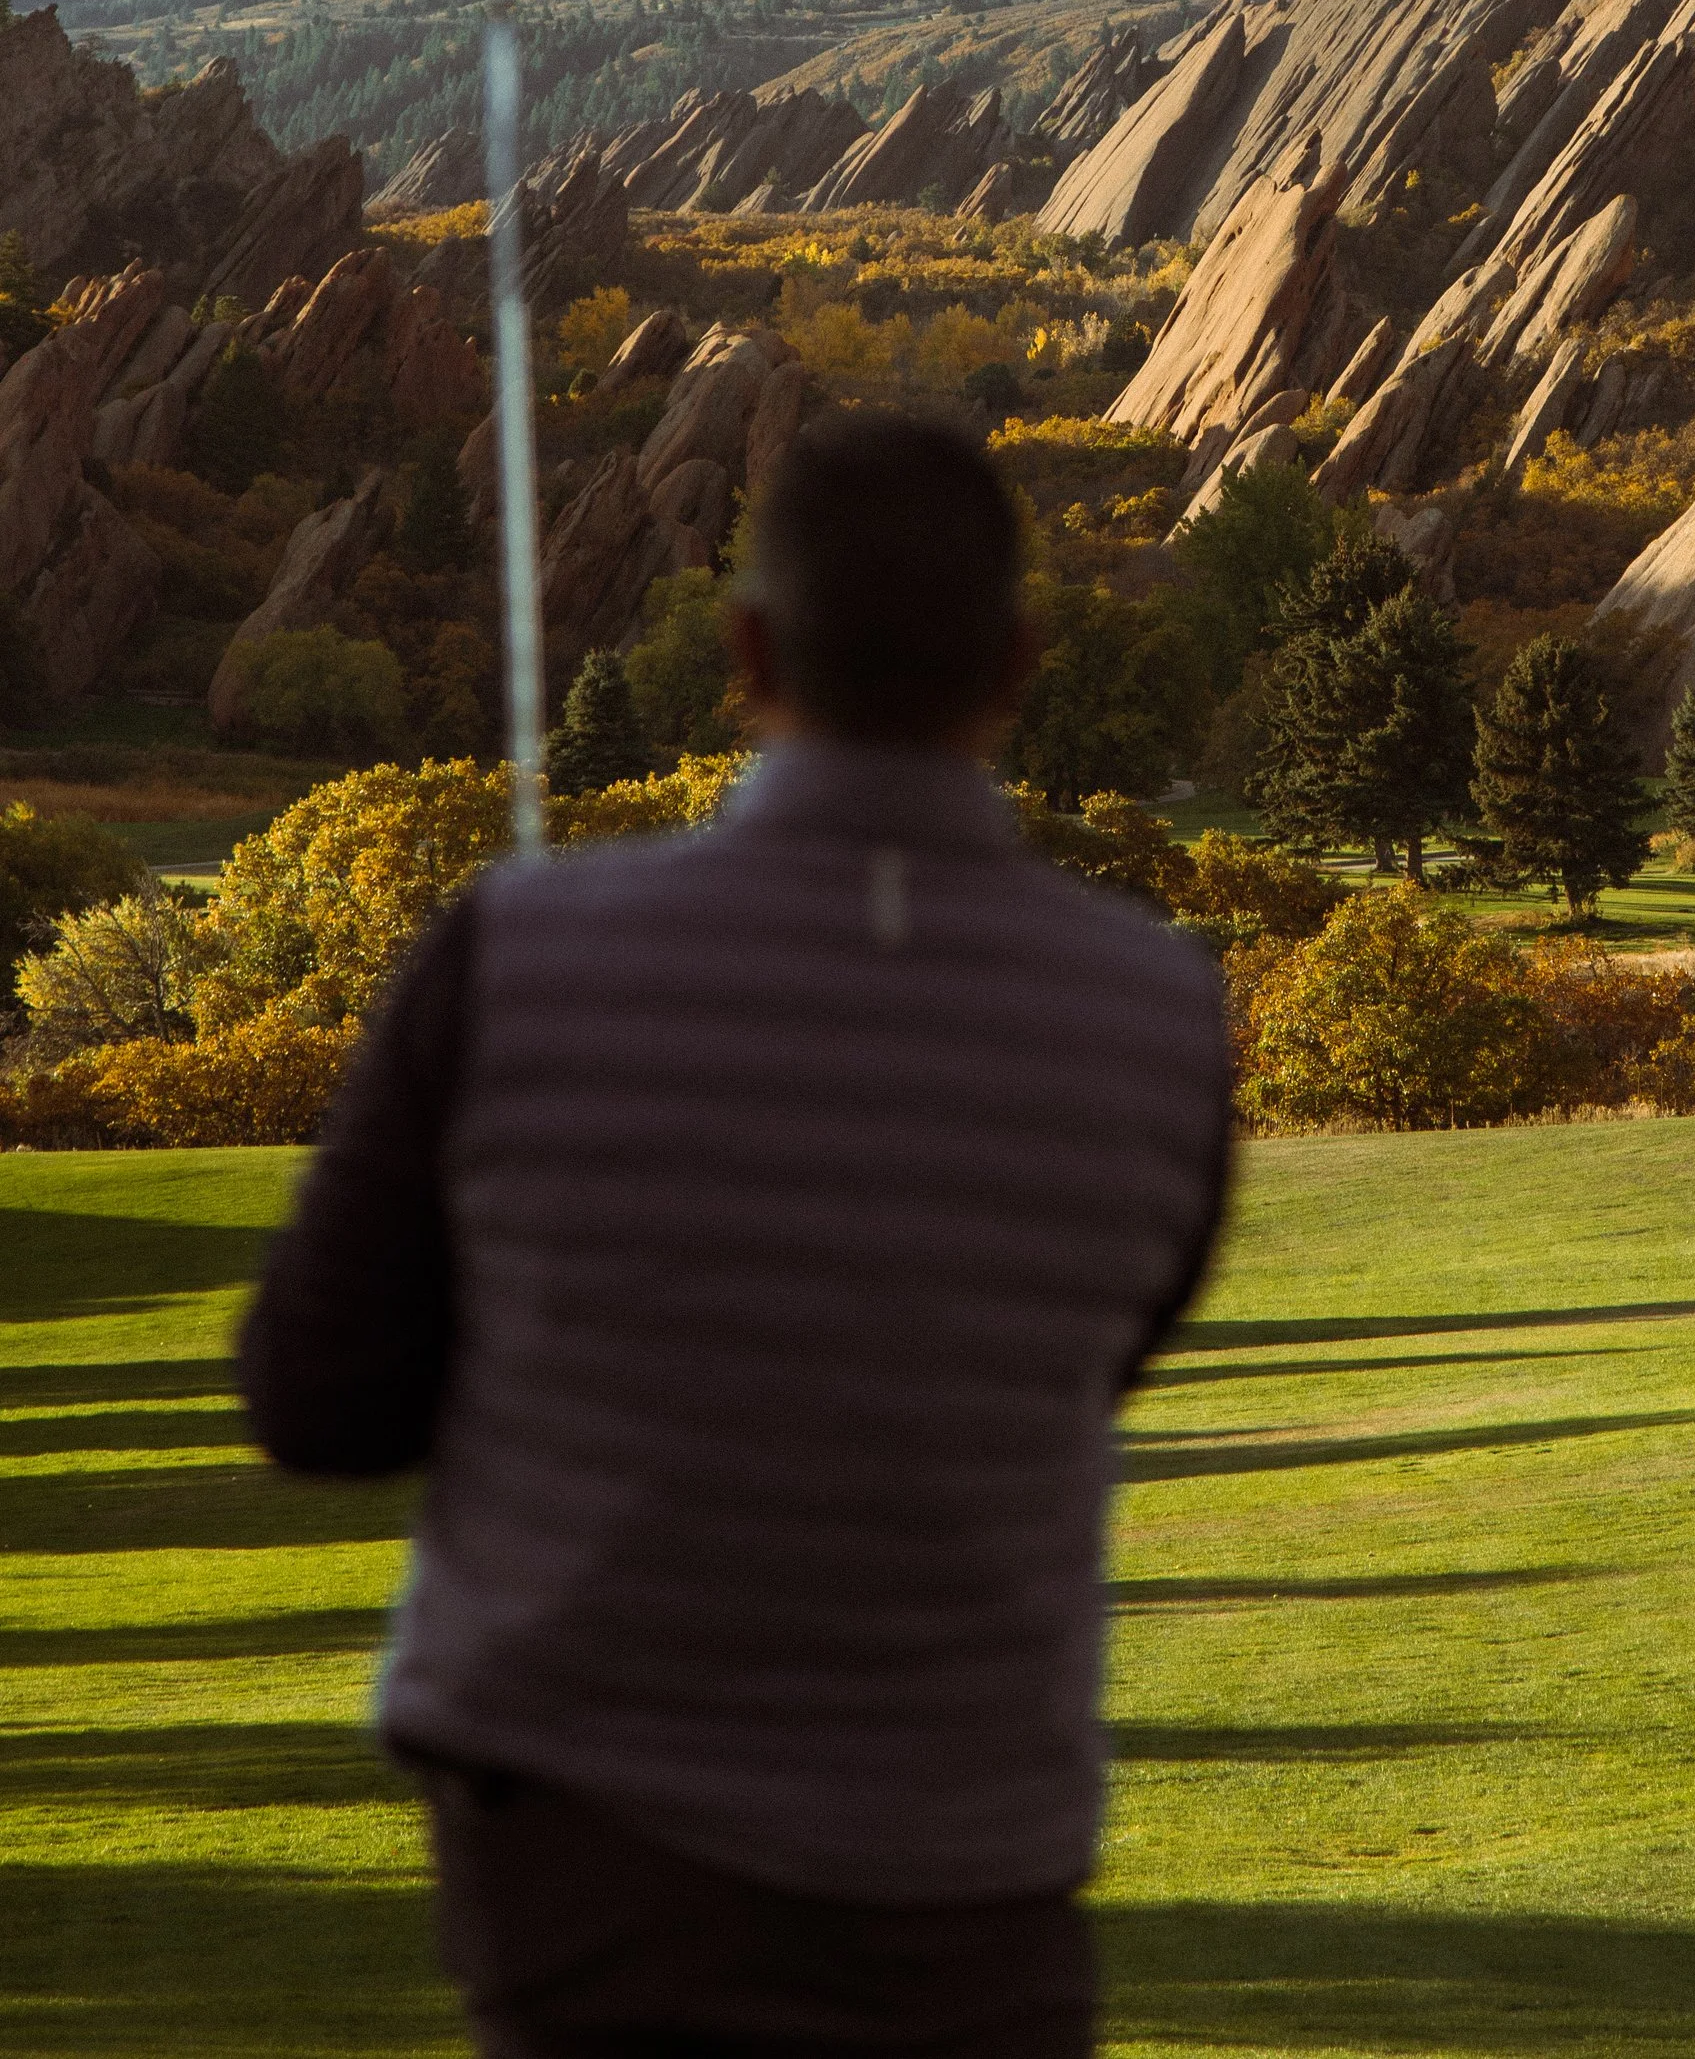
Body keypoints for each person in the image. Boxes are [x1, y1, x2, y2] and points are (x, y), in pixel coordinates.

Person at [240, 411, 1232, 2059]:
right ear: (1020, 662)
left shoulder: (517, 951)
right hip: (972, 1900)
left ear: (748, 648)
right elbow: (1072, 1359)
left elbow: (314, 1401)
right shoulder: (1160, 1013)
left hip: (589, 1881)